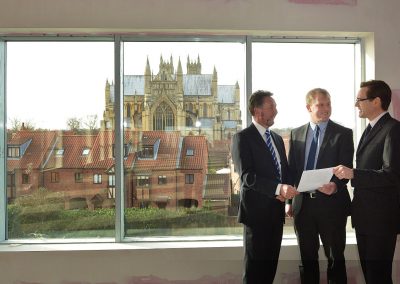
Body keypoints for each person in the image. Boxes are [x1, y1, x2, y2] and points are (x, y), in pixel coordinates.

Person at [333, 80, 400, 284]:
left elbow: (392, 175)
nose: (356, 105)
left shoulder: (393, 129)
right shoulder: (370, 129)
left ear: (376, 101)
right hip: (365, 218)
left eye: (360, 100)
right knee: (371, 276)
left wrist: (354, 174)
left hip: (380, 220)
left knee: (378, 277)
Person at [287, 88, 354, 284]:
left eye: (328, 104)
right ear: (309, 107)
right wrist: (290, 201)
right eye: (320, 105)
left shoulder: (343, 134)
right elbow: (293, 171)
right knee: (307, 259)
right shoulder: (296, 133)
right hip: (303, 206)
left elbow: (346, 168)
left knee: (335, 258)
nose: (326, 109)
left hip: (332, 205)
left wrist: (335, 185)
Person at [231, 90, 299, 284]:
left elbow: (285, 173)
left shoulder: (277, 139)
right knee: (254, 273)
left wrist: (292, 194)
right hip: (256, 215)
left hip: (276, 214)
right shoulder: (242, 138)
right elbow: (247, 177)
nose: (276, 111)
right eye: (272, 107)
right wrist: (278, 189)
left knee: (269, 270)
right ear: (257, 111)